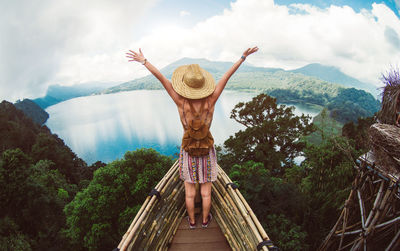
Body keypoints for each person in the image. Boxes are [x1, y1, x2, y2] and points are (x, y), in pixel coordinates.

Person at [126, 46, 258, 229]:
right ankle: (205, 221)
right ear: (203, 85)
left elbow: (161, 79)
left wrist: (144, 61)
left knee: (189, 193)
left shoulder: (181, 102)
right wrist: (242, 57)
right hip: (206, 150)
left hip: (188, 150)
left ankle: (192, 221)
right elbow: (226, 77)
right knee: (206, 193)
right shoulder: (211, 101)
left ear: (186, 86)